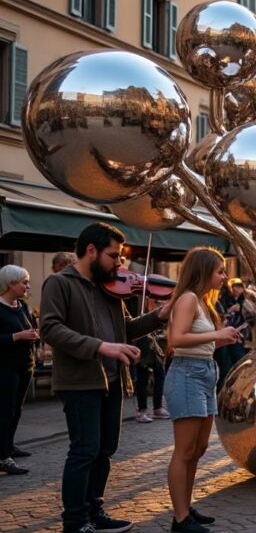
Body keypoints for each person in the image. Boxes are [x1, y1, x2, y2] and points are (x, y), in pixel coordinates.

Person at [40, 222, 170, 533]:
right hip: (79, 381)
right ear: (91, 250)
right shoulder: (59, 283)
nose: (119, 263)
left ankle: (94, 511)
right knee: (84, 450)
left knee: (105, 451)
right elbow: (50, 328)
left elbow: (126, 329)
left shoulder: (109, 287)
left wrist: (158, 317)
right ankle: (74, 522)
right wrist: (101, 346)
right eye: (114, 255)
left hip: (112, 380)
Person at [164, 248, 240, 533]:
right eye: (220, 271)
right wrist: (217, 334)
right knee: (184, 450)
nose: (224, 276)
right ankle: (180, 518)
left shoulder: (203, 302)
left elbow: (197, 340)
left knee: (199, 448)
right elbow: (177, 339)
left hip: (205, 373)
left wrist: (220, 340)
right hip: (187, 374)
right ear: (203, 271)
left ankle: (186, 507)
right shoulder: (187, 299)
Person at [0, 265, 38, 476]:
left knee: (16, 410)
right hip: (5, 367)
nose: (28, 286)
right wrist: (17, 336)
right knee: (5, 411)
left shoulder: (22, 306)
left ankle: (9, 445)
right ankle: (3, 457)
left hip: (26, 364)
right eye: (24, 282)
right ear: (11, 284)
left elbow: (29, 328)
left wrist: (34, 334)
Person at [133, 298, 170, 424]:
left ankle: (157, 407)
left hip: (157, 340)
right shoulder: (140, 300)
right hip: (143, 339)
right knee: (142, 374)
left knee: (160, 373)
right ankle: (142, 409)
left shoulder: (156, 301)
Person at [213, 279, 247, 390]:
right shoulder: (220, 301)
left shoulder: (242, 300)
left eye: (240, 287)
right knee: (226, 367)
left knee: (235, 362)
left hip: (231, 336)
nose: (238, 289)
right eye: (236, 287)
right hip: (222, 339)